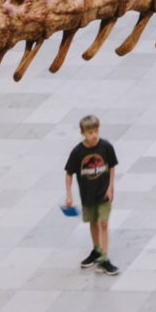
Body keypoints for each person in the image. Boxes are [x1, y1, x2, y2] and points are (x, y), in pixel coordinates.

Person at [62, 113, 120, 274]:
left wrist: (110, 188)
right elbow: (69, 173)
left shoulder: (106, 147)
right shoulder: (77, 152)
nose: (93, 135)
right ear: (83, 133)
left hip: (104, 194)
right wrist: (69, 195)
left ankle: (104, 258)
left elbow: (111, 167)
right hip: (87, 194)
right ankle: (96, 250)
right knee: (93, 222)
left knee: (103, 223)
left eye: (96, 131)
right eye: (90, 132)